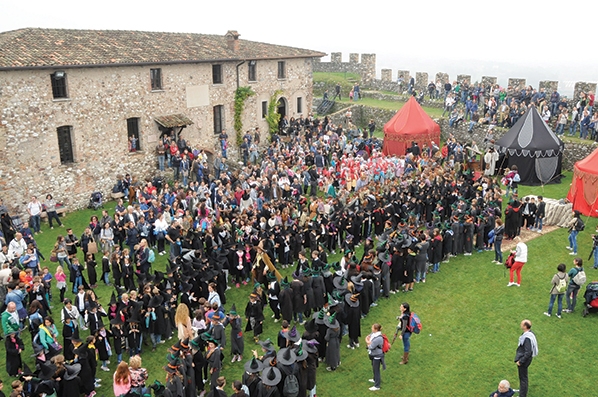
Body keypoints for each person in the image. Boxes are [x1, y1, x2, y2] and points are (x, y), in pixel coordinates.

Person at [514, 319, 538, 397]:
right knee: (523, 377)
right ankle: (522, 390)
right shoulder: (530, 334)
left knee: (523, 378)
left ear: (525, 326)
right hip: (526, 359)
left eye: (522, 324)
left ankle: (522, 394)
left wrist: (520, 361)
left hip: (524, 360)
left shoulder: (527, 338)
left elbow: (528, 352)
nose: (520, 325)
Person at [365, 323, 385, 391]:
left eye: (372, 328)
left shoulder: (378, 338)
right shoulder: (374, 334)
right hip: (374, 355)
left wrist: (367, 341)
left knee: (376, 370)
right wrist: (368, 340)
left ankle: (377, 386)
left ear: (376, 329)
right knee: (374, 368)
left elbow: (370, 347)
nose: (371, 329)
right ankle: (374, 379)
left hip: (377, 356)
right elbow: (369, 336)